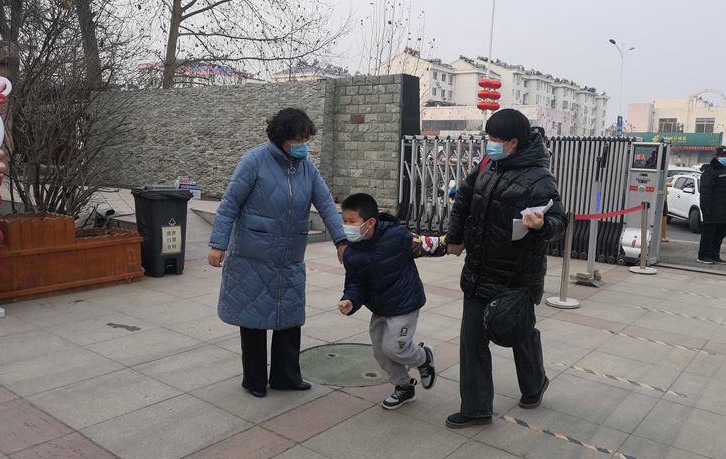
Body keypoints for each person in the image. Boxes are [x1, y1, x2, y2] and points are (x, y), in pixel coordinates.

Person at [208, 108, 347, 398]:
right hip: (252, 257)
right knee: (254, 319)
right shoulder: (254, 161)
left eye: (307, 139)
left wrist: (341, 241)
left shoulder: (307, 168)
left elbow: (325, 204)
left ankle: (286, 377)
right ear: (281, 137)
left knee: (289, 317)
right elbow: (230, 204)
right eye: (298, 139)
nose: (304, 145)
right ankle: (254, 380)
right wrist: (218, 244)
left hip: (290, 258)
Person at [444, 109, 568, 428]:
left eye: (496, 139)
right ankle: (476, 408)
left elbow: (559, 221)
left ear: (513, 142)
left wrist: (541, 225)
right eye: (489, 137)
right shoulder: (489, 164)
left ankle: (535, 383)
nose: (490, 143)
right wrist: (455, 237)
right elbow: (464, 198)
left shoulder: (539, 177)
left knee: (518, 332)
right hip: (479, 269)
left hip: (516, 274)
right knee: (472, 339)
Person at [337, 193, 446, 409]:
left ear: (370, 223)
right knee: (381, 352)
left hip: (405, 302)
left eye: (352, 222)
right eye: (344, 221)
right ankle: (404, 386)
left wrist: (452, 242)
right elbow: (355, 284)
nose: (346, 227)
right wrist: (349, 299)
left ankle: (424, 358)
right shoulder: (351, 252)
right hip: (380, 307)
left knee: (395, 348)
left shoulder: (397, 236)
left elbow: (428, 245)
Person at [697, 145, 726, 265]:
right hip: (713, 209)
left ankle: (714, 255)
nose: (724, 158)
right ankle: (703, 255)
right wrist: (706, 209)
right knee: (709, 234)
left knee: (720, 234)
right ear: (716, 156)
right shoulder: (710, 171)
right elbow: (705, 191)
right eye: (722, 156)